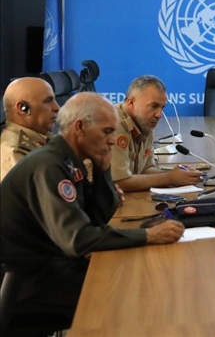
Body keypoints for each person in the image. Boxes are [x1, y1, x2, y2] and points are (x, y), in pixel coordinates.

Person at [0, 92, 185, 322]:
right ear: (80, 127)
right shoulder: (50, 166)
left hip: (49, 266)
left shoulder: (67, 159)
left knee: (134, 275)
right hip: (26, 283)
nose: (112, 140)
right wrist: (148, 235)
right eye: (107, 131)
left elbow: (96, 219)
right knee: (135, 292)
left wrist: (103, 170)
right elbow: (78, 240)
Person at [112, 75, 202, 191]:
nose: (159, 115)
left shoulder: (143, 122)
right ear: (131, 103)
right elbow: (119, 182)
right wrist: (169, 178)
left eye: (162, 107)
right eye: (154, 106)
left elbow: (145, 169)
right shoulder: (113, 125)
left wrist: (179, 175)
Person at [1, 77, 60, 180]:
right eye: (48, 101)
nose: (57, 107)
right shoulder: (15, 154)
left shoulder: (43, 136)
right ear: (23, 108)